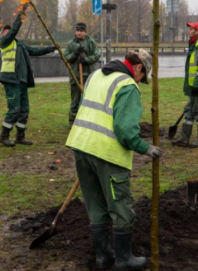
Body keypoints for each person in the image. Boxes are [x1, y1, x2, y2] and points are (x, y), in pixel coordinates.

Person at [66, 49, 162, 270]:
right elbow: (125, 130)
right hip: (107, 154)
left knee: (95, 204)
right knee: (120, 206)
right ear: (138, 67)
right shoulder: (127, 86)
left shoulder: (96, 75)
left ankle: (103, 256)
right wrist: (146, 148)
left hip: (81, 147)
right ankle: (123, 259)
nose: (141, 80)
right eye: (143, 75)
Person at [0, 4, 56, 147]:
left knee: (24, 110)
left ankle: (20, 136)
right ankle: (3, 136)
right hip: (11, 79)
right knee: (14, 109)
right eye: (6, 31)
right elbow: (14, 31)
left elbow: (34, 51)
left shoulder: (20, 45)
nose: (9, 32)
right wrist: (21, 13)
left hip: (22, 81)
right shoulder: (4, 42)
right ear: (3, 35)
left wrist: (50, 48)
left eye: (9, 30)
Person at [64, 22, 100, 129]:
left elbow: (97, 54)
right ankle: (73, 122)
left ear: (85, 31)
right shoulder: (71, 44)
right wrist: (75, 54)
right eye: (78, 30)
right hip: (76, 76)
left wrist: (86, 60)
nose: (79, 33)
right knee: (75, 100)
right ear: (75, 31)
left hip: (89, 76)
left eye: (81, 31)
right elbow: (66, 57)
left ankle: (89, 120)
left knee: (89, 99)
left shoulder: (91, 42)